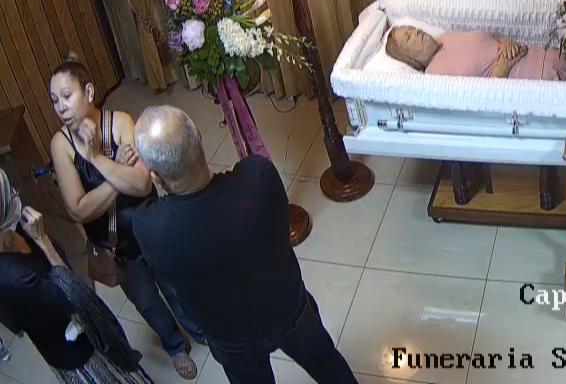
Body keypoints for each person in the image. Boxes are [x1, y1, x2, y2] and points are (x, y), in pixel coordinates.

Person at [130, 105, 357, 384]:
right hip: (287, 309)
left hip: (231, 338)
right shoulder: (257, 177)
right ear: (199, 137)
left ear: (155, 175)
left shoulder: (150, 227)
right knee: (329, 368)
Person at [48, 57, 204, 379]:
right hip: (116, 246)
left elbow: (142, 183)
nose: (60, 107)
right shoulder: (61, 146)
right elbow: (78, 209)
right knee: (146, 302)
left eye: (66, 96)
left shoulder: (119, 122)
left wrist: (95, 159)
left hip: (151, 227)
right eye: (54, 100)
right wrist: (117, 170)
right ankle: (175, 346)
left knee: (175, 285)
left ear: (88, 92)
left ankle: (198, 329)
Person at [0, 169, 155, 383]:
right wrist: (43, 240)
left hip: (84, 325)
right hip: (76, 351)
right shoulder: (12, 277)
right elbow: (72, 296)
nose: (17, 192)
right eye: (10, 193)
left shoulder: (15, 227)